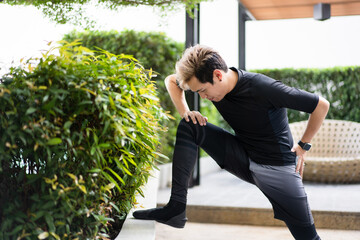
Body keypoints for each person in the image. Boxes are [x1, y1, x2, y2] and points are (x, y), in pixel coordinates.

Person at [133, 45, 330, 240]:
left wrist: (303, 145)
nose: (202, 97)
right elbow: (171, 81)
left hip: (278, 168)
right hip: (243, 157)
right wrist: (186, 112)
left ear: (218, 75)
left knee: (308, 238)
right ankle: (175, 208)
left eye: (202, 90)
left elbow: (320, 105)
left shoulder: (263, 88)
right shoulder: (209, 82)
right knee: (189, 125)